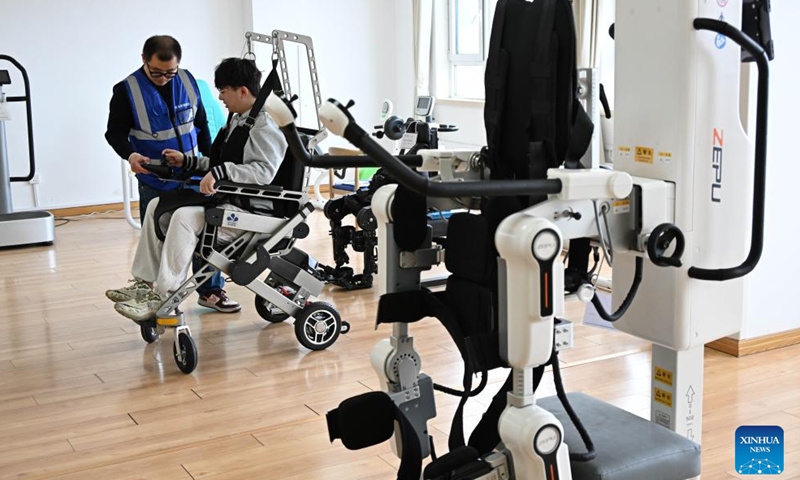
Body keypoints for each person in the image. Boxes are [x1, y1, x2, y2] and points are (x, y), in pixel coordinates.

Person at [107, 57, 289, 323]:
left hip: (252, 214)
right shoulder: (240, 119)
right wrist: (188, 161)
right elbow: (221, 162)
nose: (220, 97)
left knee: (184, 218)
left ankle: (164, 296)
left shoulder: (265, 125)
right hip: (229, 203)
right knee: (157, 206)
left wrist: (220, 172)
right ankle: (143, 284)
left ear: (242, 91)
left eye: (223, 91)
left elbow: (263, 172)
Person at [105, 35, 240, 313]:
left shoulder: (188, 81)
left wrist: (211, 165)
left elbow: (200, 125)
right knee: (159, 236)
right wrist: (130, 155)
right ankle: (159, 296)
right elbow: (114, 133)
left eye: (170, 72)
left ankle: (211, 291)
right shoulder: (127, 90)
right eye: (157, 72)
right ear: (144, 60)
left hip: (193, 173)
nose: (164, 79)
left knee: (205, 231)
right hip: (155, 178)